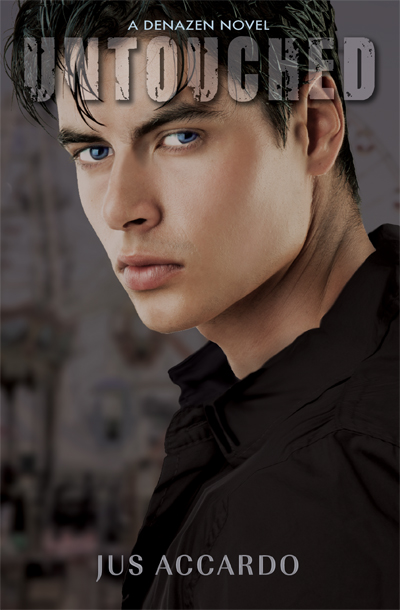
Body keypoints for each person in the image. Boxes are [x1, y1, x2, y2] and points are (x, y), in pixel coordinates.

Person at [5, 1, 399, 608]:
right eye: (93, 151)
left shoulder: (325, 491)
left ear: (316, 128)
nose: (121, 209)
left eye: (179, 136)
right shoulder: (270, 417)